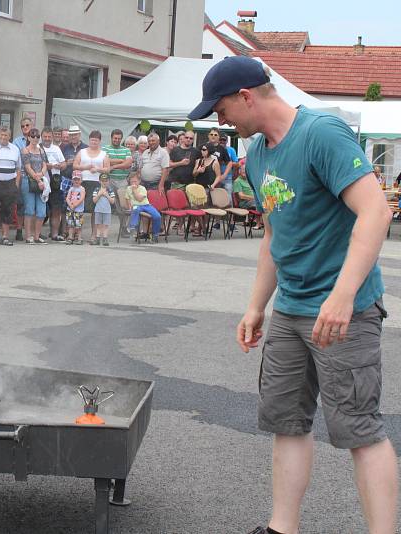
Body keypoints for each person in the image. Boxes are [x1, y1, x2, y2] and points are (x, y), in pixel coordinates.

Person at [190, 54, 397, 534]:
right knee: (287, 423)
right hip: (289, 309)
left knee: (359, 431)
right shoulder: (258, 152)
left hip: (343, 309)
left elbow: (375, 212)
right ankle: (282, 529)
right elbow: (272, 233)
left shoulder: (321, 133)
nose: (218, 122)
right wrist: (256, 306)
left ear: (245, 96)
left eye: (220, 111)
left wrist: (343, 297)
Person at [73, 130, 109, 242]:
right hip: (82, 183)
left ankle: (94, 235)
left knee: (95, 210)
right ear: (89, 140)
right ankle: (78, 234)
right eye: (92, 140)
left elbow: (107, 169)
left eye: (96, 140)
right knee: (80, 209)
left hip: (96, 183)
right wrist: (85, 167)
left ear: (100, 141)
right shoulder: (82, 152)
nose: (94, 142)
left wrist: (98, 169)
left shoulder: (104, 154)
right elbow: (75, 165)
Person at [20, 127, 49, 244]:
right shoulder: (25, 151)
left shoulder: (41, 150)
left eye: (37, 136)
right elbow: (27, 167)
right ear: (28, 137)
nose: (35, 138)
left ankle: (37, 236)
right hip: (28, 181)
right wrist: (37, 178)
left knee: (42, 211)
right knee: (29, 210)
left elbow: (45, 165)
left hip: (41, 180)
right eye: (33, 136)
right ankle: (28, 236)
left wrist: (41, 175)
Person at [40, 127, 67, 241]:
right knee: (40, 210)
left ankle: (55, 234)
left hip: (55, 183)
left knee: (56, 210)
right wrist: (49, 166)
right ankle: (37, 233)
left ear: (52, 137)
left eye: (49, 136)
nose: (47, 139)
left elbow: (64, 163)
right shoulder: (38, 148)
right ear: (41, 137)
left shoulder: (56, 148)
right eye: (45, 136)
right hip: (41, 182)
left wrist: (60, 166)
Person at [124, 172, 161, 243]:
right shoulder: (128, 188)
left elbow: (140, 199)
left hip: (146, 205)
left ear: (139, 181)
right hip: (135, 206)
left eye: (135, 181)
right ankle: (133, 228)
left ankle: (155, 234)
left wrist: (134, 190)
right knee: (135, 209)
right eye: (131, 181)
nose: (133, 183)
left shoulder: (143, 188)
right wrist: (129, 207)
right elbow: (127, 198)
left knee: (157, 216)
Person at [104, 129, 133, 196]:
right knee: (110, 203)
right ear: (111, 138)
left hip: (122, 181)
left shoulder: (126, 150)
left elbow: (128, 164)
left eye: (119, 138)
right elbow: (105, 161)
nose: (117, 140)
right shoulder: (105, 148)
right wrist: (121, 161)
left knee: (123, 204)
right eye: (115, 138)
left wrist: (113, 166)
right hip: (109, 180)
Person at [89, 173, 115, 246]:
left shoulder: (110, 190)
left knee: (106, 225)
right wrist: (99, 194)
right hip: (98, 210)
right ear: (99, 181)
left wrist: (107, 195)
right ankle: (97, 239)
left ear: (109, 181)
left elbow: (113, 201)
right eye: (102, 181)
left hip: (107, 210)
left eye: (106, 181)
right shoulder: (97, 190)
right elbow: (94, 200)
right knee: (98, 225)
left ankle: (105, 238)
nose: (104, 182)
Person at [64, 172, 85, 245]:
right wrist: (70, 205)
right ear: (72, 180)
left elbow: (81, 198)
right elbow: (67, 198)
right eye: (75, 179)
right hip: (70, 209)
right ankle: (70, 237)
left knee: (78, 224)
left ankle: (79, 238)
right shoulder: (71, 189)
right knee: (70, 224)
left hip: (78, 210)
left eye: (78, 179)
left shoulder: (82, 189)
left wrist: (75, 205)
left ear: (81, 180)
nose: (76, 181)